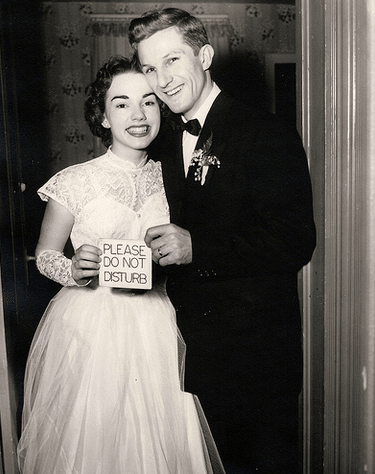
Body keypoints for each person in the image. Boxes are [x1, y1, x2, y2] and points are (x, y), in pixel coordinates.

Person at [129, 9, 316, 474]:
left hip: (256, 357)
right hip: (192, 352)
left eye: (172, 60)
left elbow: (295, 240)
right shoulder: (166, 143)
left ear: (205, 55)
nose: (162, 79)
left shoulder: (264, 131)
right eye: (150, 68)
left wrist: (200, 249)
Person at [17, 55, 224, 474]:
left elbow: (189, 248)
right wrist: (73, 270)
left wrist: (173, 258)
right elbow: (45, 255)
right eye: (122, 103)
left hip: (160, 322)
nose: (138, 115)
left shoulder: (177, 177)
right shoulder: (75, 180)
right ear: (104, 116)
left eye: (149, 102)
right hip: (91, 327)